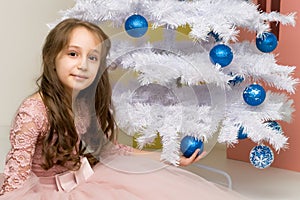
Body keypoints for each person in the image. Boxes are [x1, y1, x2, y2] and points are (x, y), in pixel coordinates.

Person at [0, 18, 247, 199]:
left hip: (88, 180)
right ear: (51, 57)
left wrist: (168, 157)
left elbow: (111, 151)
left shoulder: (84, 103)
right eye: (73, 54)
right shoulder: (33, 112)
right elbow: (13, 184)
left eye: (93, 57)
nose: (83, 65)